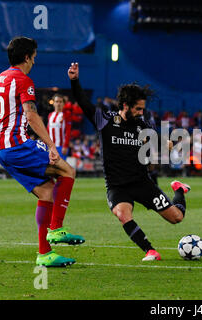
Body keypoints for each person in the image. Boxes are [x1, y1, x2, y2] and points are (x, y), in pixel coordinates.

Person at [0, 37, 84, 267]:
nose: (35, 60)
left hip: (2, 150)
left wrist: (1, 132)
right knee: (68, 171)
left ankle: (45, 254)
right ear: (27, 56)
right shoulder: (23, 80)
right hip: (18, 146)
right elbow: (32, 116)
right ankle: (56, 229)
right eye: (34, 55)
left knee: (47, 193)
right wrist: (52, 146)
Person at [68, 62, 191, 261]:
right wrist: (74, 81)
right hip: (117, 185)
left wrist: (162, 142)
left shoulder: (143, 124)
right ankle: (150, 251)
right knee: (122, 213)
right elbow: (84, 103)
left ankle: (179, 189)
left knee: (177, 218)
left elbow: (150, 140)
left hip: (141, 183)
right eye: (138, 109)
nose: (142, 112)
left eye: (143, 109)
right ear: (125, 106)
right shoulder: (105, 120)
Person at [47, 93, 72, 160]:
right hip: (51, 147)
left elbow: (68, 131)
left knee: (61, 169)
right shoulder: (50, 115)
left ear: (63, 104)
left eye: (60, 102)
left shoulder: (66, 115)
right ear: (53, 103)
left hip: (61, 147)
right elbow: (47, 131)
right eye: (57, 101)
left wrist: (65, 146)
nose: (58, 104)